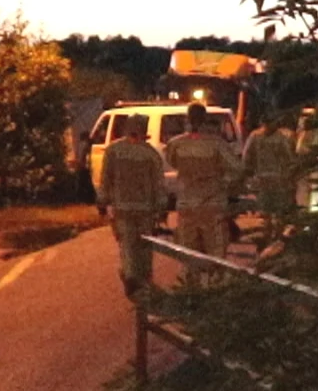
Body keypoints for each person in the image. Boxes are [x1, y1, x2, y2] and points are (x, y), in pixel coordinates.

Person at [97, 114, 165, 298]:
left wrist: (102, 203)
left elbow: (105, 179)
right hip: (145, 210)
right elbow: (159, 184)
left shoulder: (113, 151)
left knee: (127, 246)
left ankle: (130, 277)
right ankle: (145, 280)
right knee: (145, 246)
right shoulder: (150, 154)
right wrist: (161, 209)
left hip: (122, 209)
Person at [165, 102, 239, 257]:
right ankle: (214, 281)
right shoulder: (217, 144)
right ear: (205, 118)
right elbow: (236, 170)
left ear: (187, 118)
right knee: (216, 254)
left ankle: (191, 280)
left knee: (188, 254)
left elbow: (172, 162)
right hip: (212, 205)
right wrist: (225, 186)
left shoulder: (176, 144)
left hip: (187, 205)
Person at [241, 112, 297, 246]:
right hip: (274, 180)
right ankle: (273, 240)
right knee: (272, 213)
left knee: (270, 213)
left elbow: (247, 157)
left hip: (268, 180)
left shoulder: (256, 136)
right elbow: (289, 158)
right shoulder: (281, 137)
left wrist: (247, 173)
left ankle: (270, 239)